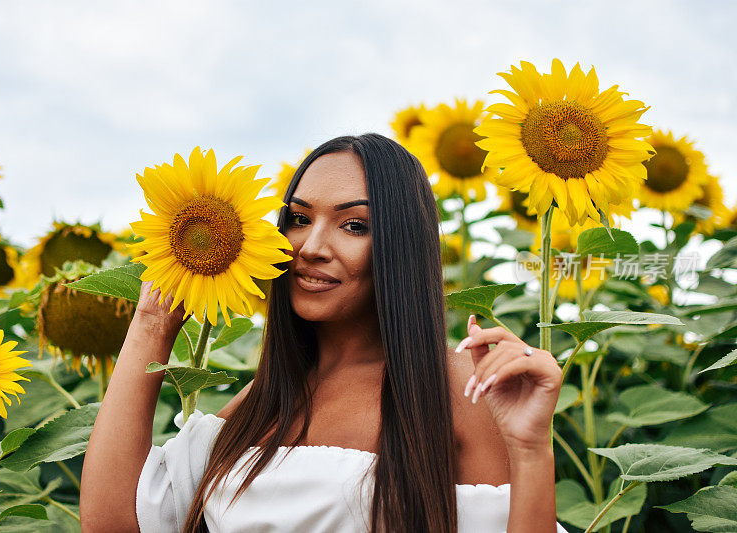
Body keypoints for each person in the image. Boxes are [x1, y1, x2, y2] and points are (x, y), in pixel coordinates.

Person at [80, 134, 567, 533]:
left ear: (400, 246)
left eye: (353, 225)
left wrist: (530, 452)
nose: (310, 247)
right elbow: (112, 522)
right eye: (298, 218)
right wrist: (151, 323)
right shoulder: (263, 399)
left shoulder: (458, 387)